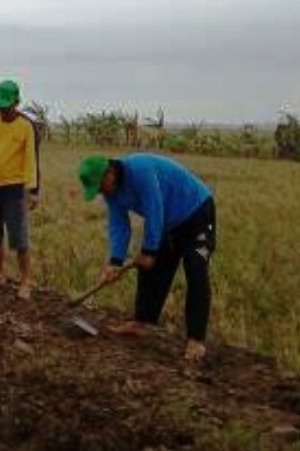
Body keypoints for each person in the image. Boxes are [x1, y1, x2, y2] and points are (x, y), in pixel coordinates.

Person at [78, 152, 216, 362]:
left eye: (99, 187)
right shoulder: (111, 193)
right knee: (150, 268)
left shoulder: (140, 170)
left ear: (109, 174)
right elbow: (118, 224)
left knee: (195, 268)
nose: (100, 193)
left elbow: (155, 209)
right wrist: (115, 262)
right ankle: (141, 322)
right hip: (169, 224)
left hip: (196, 212)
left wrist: (150, 251)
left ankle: (196, 340)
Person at [0, 79, 40, 300]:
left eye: (6, 106)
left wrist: (33, 190)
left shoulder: (26, 127)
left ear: (16, 102)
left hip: (15, 188)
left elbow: (32, 159)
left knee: (19, 238)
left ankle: (25, 281)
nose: (2, 110)